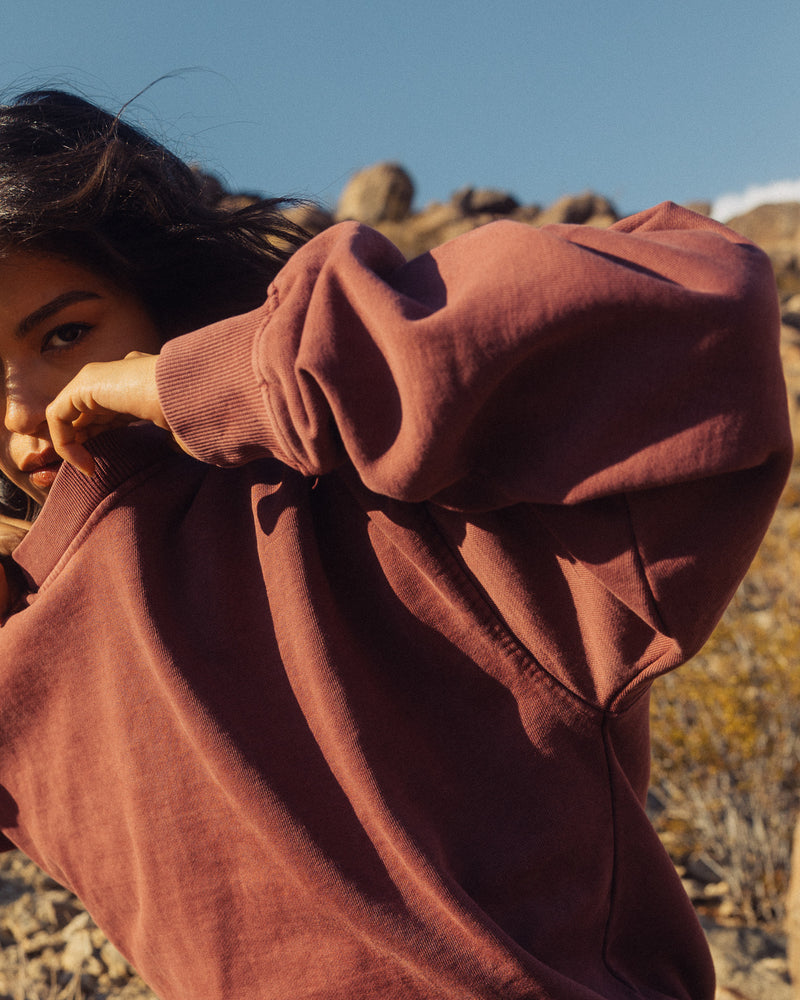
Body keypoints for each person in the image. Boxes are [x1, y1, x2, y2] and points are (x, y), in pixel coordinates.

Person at [0, 89, 792, 1000]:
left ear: (158, 298)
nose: (23, 411)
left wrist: (234, 375)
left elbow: (707, 303)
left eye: (67, 332)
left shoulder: (412, 507)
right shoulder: (22, 647)